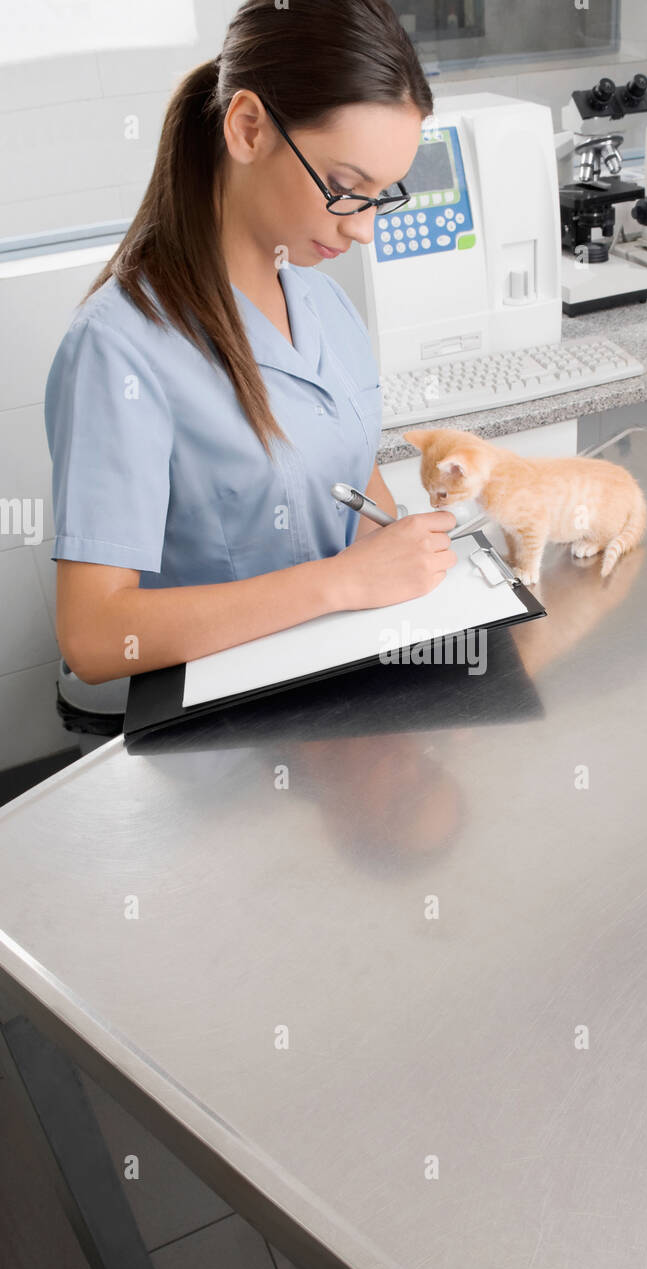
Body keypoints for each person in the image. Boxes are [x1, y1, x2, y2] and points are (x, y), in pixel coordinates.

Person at [46, 0, 457, 751]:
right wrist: (342, 583)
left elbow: (348, 471)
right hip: (212, 748)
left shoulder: (323, 300)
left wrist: (418, 574)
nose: (362, 227)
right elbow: (96, 636)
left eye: (383, 196)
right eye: (344, 185)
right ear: (247, 128)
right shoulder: (120, 347)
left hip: (330, 702)